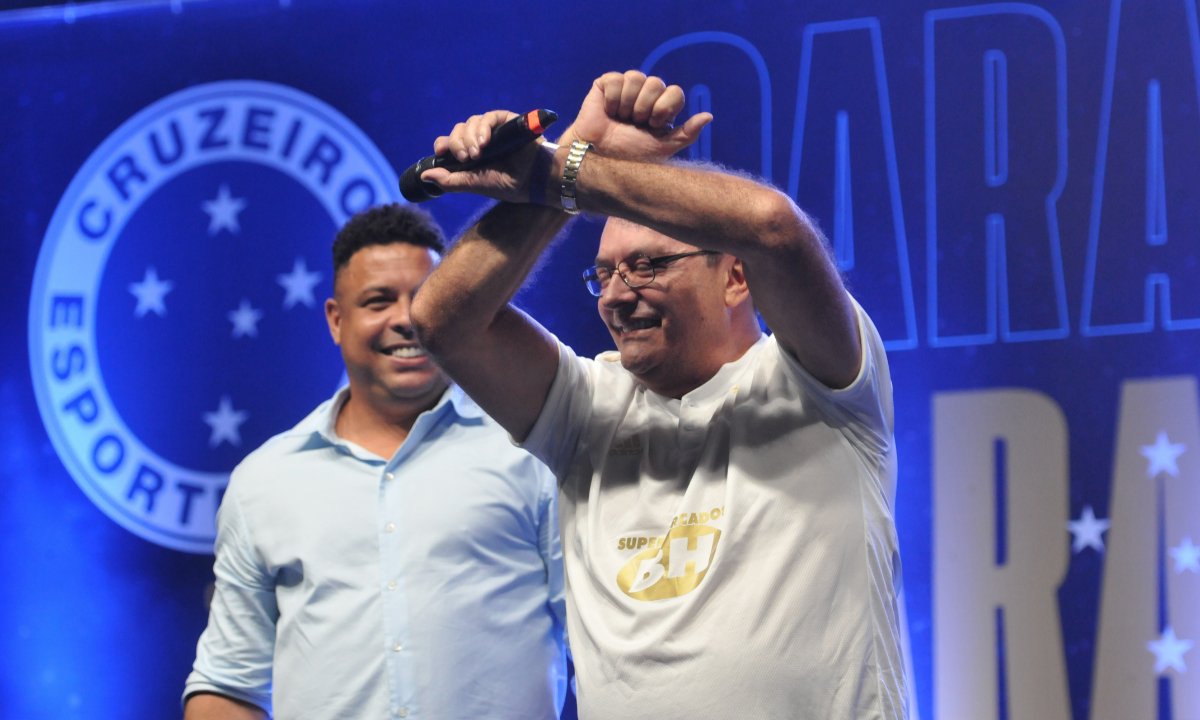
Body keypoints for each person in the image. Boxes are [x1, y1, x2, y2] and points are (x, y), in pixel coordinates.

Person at [409, 70, 907, 719]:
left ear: (735, 278)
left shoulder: (818, 384)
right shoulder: (588, 409)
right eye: (605, 273)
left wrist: (563, 173)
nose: (617, 295)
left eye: (647, 265)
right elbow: (443, 323)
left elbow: (771, 225)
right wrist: (572, 156)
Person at [183, 204, 568, 720]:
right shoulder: (264, 481)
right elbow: (228, 684)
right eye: (378, 301)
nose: (407, 320)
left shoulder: (528, 451)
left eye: (426, 298)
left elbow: (599, 642)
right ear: (336, 320)